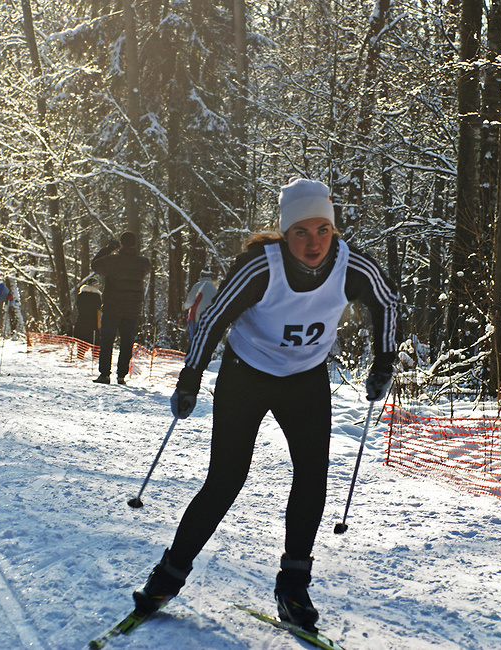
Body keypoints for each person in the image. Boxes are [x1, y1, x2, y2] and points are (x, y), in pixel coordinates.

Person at [131, 178, 399, 631]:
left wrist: (384, 362)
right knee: (226, 478)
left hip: (305, 379)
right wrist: (190, 378)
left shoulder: (352, 266)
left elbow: (387, 302)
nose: (313, 243)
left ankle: (293, 587)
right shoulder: (261, 266)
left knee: (312, 476)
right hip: (248, 373)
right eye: (301, 232)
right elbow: (215, 318)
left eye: (323, 230)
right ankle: (167, 577)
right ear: (285, 232)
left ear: (333, 230)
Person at [90, 231, 150, 385]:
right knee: (127, 341)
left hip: (112, 307)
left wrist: (109, 249)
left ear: (121, 244)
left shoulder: (112, 261)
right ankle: (121, 375)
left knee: (107, 340)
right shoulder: (143, 263)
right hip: (132, 308)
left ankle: (104, 374)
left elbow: (95, 265)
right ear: (135, 244)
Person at [182, 269, 217, 342]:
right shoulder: (214, 288)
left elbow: (190, 301)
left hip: (196, 317)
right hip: (208, 319)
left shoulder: (197, 286)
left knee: (194, 340)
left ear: (201, 275)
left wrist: (184, 307)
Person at [73, 280, 102, 351]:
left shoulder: (81, 295)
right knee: (95, 346)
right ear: (93, 286)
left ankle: (80, 355)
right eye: (96, 285)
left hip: (81, 323)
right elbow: (98, 310)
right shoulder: (97, 296)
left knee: (81, 346)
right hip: (93, 323)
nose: (98, 287)